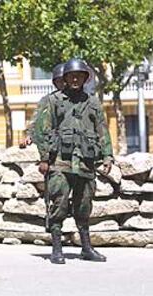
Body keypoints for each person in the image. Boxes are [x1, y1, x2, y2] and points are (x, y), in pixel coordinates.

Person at [34, 58, 113, 264]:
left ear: (86, 78)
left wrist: (107, 155)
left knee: (84, 205)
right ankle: (57, 249)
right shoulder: (53, 101)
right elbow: (41, 131)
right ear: (65, 78)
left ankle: (86, 248)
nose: (75, 78)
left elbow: (102, 130)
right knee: (59, 203)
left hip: (85, 162)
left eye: (79, 75)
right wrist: (44, 158)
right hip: (60, 161)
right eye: (71, 75)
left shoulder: (93, 102)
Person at [19, 63, 65, 148]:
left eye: (64, 80)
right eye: (59, 81)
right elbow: (36, 119)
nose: (62, 84)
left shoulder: (81, 99)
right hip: (54, 141)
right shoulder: (48, 100)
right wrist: (29, 135)